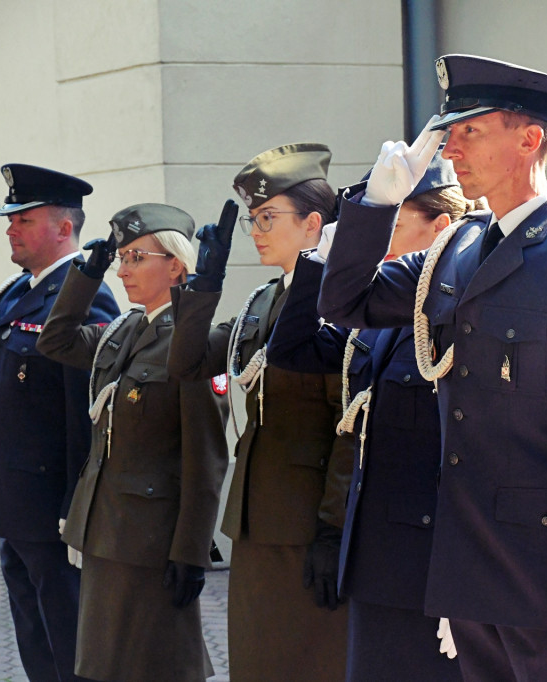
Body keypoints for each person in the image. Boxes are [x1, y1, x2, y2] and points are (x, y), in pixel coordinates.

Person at [318, 55, 547, 682]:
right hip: (469, 579)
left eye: (469, 130)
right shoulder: (456, 251)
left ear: (529, 139)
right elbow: (345, 302)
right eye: (449, 131)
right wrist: (374, 203)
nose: (450, 146)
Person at [267, 151, 475, 682]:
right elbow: (290, 349)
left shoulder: (468, 314)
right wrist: (325, 252)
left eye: (394, 228)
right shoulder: (374, 318)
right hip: (375, 559)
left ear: (441, 227)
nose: (378, 246)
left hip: (435, 563)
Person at [167, 143, 352, 681]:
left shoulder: (342, 305)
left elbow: (351, 428)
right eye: (254, 219)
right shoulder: (264, 300)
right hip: (253, 522)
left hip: (306, 528)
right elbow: (186, 364)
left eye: (268, 217)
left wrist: (332, 530)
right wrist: (204, 285)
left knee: (310, 666)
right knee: (256, 667)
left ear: (313, 223)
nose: (256, 231)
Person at [0, 163, 120, 682]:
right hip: (16, 500)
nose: (9, 228)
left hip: (51, 502)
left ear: (64, 228)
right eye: (10, 218)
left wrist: (75, 508)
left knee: (68, 637)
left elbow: (89, 414)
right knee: (34, 633)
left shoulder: (85, 297)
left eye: (23, 219)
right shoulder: (17, 291)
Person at [35, 203, 230, 681]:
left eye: (136, 257)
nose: (123, 270)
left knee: (160, 666)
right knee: (106, 666)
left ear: (177, 265)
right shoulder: (123, 331)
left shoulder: (192, 344)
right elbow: (54, 341)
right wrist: (86, 273)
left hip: (152, 542)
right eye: (119, 258)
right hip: (105, 530)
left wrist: (191, 553)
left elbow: (205, 459)